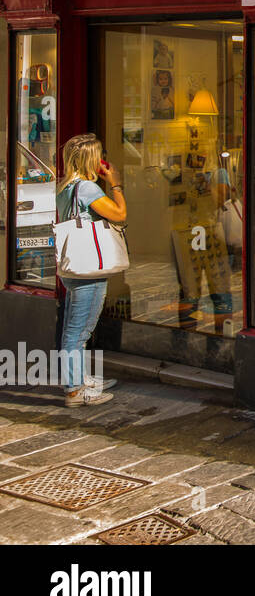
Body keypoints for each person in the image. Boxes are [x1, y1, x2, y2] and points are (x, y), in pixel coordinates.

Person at [56, 133, 127, 407]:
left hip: (74, 267)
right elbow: (120, 214)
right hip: (88, 270)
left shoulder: (66, 187)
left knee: (76, 328)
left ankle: (80, 379)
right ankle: (75, 390)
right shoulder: (86, 188)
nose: (101, 161)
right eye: (98, 156)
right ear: (90, 159)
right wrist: (116, 184)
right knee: (78, 331)